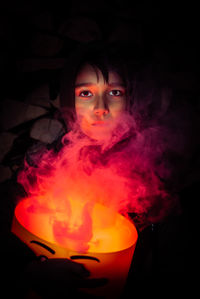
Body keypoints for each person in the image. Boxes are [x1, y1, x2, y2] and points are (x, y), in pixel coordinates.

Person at [0, 41, 190, 298]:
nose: (101, 107)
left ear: (130, 100)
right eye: (86, 93)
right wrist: (29, 269)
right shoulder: (42, 167)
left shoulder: (154, 183)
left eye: (114, 93)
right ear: (70, 101)